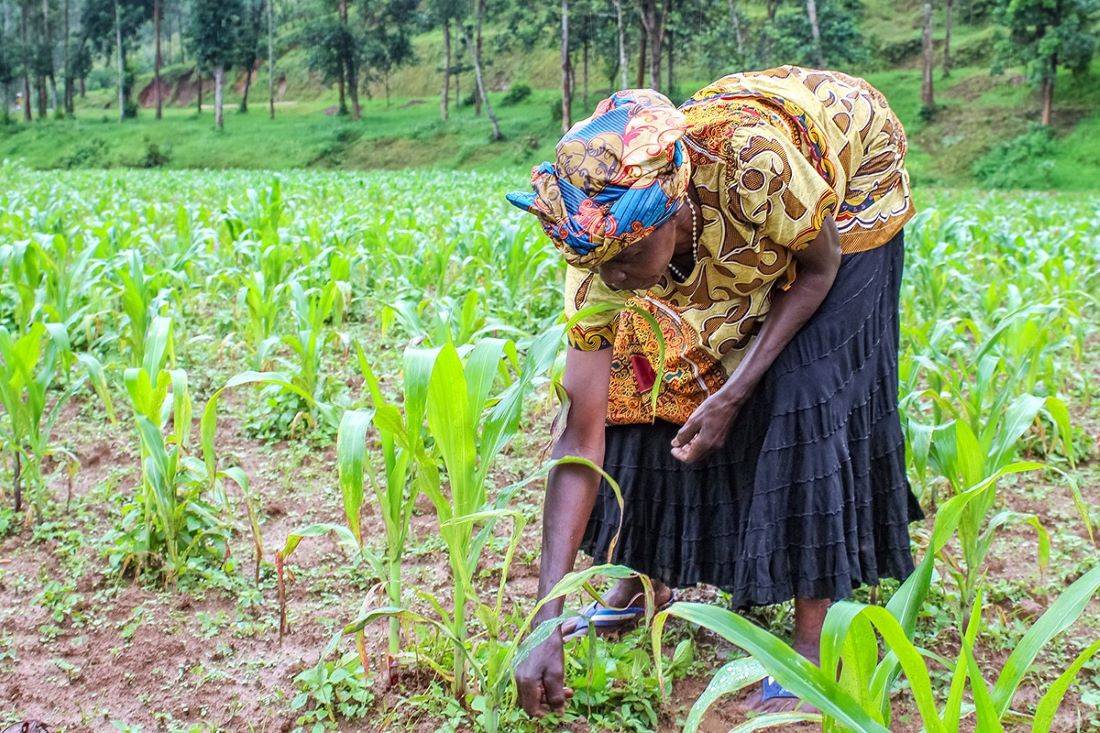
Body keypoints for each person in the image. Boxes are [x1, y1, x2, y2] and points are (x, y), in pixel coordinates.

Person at [506, 65, 924, 717]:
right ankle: (643, 582)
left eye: (625, 258)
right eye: (598, 264)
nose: (612, 276)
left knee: (805, 383)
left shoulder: (751, 165)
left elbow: (817, 269)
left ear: (674, 206)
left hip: (849, 175)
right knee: (642, 372)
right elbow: (578, 431)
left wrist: (734, 392)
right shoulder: (602, 259)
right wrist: (542, 620)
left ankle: (809, 641)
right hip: (756, 210)